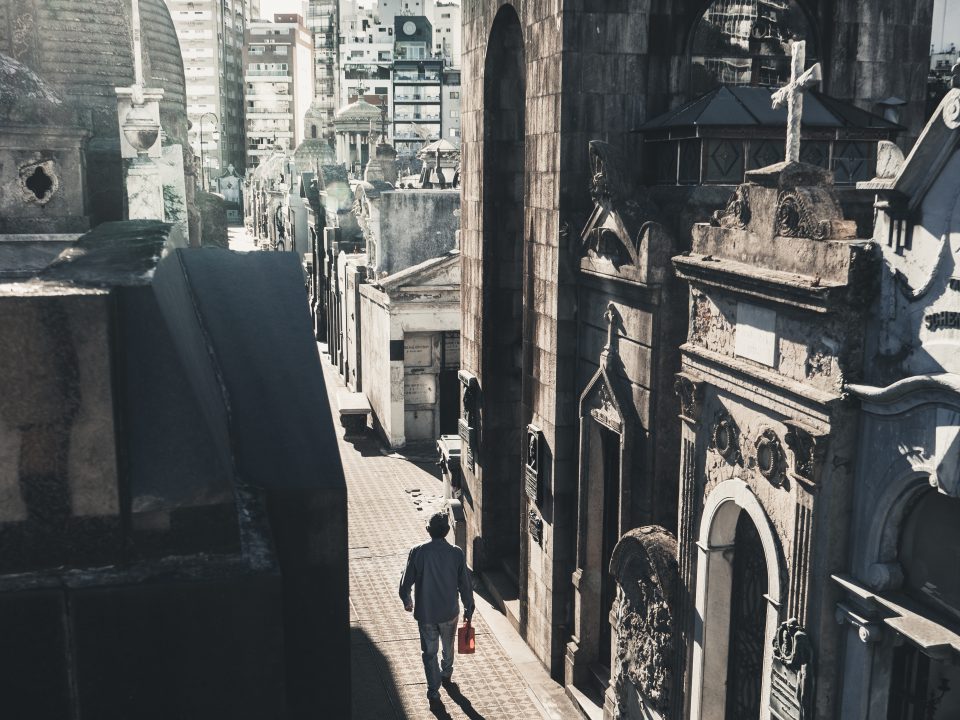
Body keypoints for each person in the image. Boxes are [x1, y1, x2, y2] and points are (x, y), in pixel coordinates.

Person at [399, 511, 475, 708]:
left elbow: (405, 583)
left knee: (429, 653)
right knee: (448, 645)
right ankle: (447, 672)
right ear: (448, 531)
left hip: (426, 613)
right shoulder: (456, 553)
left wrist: (407, 600)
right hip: (449, 611)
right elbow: (465, 585)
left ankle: (433, 691)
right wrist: (468, 607)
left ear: (428, 530)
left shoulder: (418, 552)